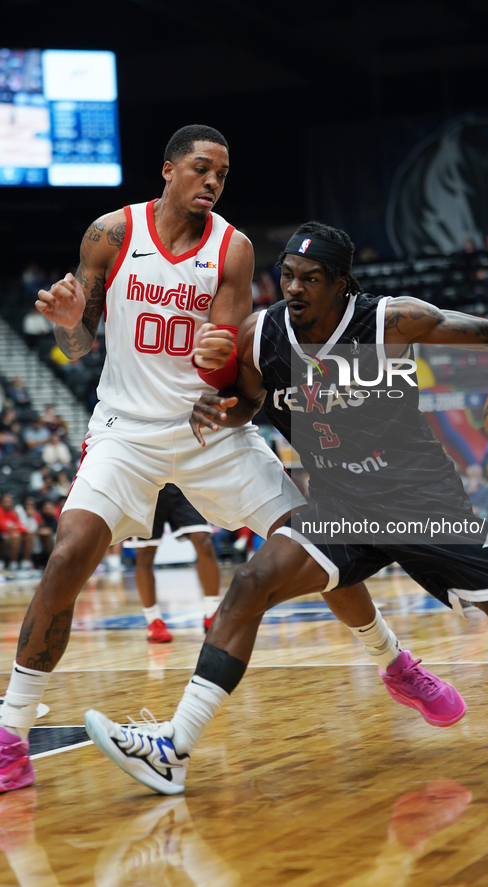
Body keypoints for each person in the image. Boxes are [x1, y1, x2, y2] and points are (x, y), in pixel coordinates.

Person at [0, 131, 461, 794]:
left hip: (208, 427)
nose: (212, 181)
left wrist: (219, 353)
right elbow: (78, 347)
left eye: (222, 173)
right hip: (125, 432)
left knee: (309, 540)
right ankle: (12, 734)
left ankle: (394, 662)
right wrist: (72, 323)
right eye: (200, 168)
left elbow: (228, 360)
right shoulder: (110, 232)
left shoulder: (233, 247)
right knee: (69, 552)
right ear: (168, 169)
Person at [84, 221, 488, 797]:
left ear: (342, 284)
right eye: (288, 276)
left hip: (422, 505)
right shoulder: (259, 335)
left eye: (311, 279)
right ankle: (173, 748)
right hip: (341, 507)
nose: (293, 289)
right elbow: (247, 404)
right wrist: (218, 412)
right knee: (250, 583)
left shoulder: (389, 320)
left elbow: (481, 329)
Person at [131, 483, 222, 642]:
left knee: (203, 541)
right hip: (146, 486)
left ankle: (212, 613)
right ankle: (153, 621)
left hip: (181, 483)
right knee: (145, 554)